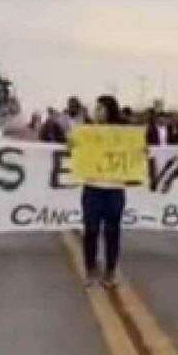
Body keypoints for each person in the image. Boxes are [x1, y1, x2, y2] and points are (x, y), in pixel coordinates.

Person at [81, 95, 129, 288]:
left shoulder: (124, 132)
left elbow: (135, 154)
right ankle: (90, 269)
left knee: (112, 231)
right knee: (91, 230)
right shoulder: (88, 132)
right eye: (96, 108)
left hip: (114, 189)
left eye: (101, 108)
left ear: (110, 110)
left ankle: (110, 271)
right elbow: (76, 152)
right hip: (93, 188)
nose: (97, 112)